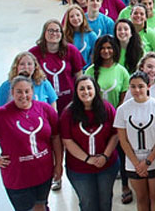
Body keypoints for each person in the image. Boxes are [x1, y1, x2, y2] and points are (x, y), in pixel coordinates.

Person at [0, 76, 62, 211]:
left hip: (43, 173)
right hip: (17, 177)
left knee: (41, 206)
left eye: (27, 91)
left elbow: (56, 137)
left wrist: (58, 164)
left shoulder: (45, 109)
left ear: (33, 92)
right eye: (19, 92)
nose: (24, 95)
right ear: (12, 92)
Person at [114, 71, 155, 211]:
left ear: (148, 86)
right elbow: (123, 139)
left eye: (140, 86)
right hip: (133, 162)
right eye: (133, 86)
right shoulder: (123, 110)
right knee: (141, 198)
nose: (137, 90)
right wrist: (136, 163)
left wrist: (148, 162)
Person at [60, 76, 119, 211]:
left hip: (107, 166)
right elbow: (67, 141)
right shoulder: (68, 113)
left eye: (89, 88)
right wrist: (88, 159)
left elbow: (115, 134)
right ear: (76, 92)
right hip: (80, 169)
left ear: (95, 90)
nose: (86, 92)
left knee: (105, 202)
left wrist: (105, 156)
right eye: (81, 89)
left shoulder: (107, 108)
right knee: (88, 204)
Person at [29, 19, 86, 112]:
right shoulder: (34, 53)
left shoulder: (71, 50)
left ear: (62, 34)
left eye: (57, 31)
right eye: (50, 30)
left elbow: (79, 75)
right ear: (44, 33)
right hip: (45, 101)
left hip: (70, 100)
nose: (54, 34)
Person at [85, 35, 130, 107]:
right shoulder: (89, 71)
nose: (106, 51)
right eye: (102, 48)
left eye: (109, 48)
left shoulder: (122, 72)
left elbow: (124, 99)